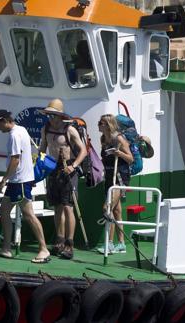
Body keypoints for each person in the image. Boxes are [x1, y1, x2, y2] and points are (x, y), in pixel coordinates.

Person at [0, 110, 50, 263]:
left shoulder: (14, 135)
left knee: (29, 214)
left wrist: (4, 179)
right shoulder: (22, 129)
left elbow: (15, 160)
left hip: (20, 181)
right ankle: (6, 248)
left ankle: (43, 249)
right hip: (18, 181)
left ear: (4, 121)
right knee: (4, 210)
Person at [39, 98, 87, 260]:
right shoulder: (45, 129)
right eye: (49, 115)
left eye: (53, 115)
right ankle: (59, 240)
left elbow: (83, 151)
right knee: (57, 207)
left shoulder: (70, 130)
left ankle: (69, 244)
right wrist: (40, 163)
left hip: (69, 171)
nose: (50, 119)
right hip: (52, 171)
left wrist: (73, 166)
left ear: (60, 116)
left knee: (68, 207)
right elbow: (42, 149)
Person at [96, 114, 133, 254]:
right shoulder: (103, 139)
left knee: (108, 207)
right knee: (117, 211)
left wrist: (119, 153)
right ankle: (122, 244)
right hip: (109, 176)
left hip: (119, 177)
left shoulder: (119, 138)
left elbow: (130, 159)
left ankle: (110, 243)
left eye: (101, 122)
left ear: (108, 124)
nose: (99, 124)